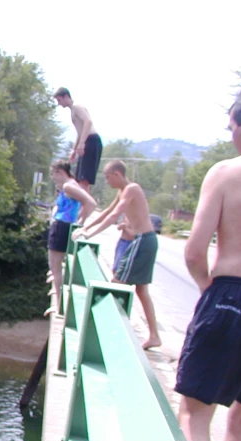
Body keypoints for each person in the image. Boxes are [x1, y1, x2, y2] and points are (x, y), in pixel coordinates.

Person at [175, 87, 241, 441]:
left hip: (231, 295)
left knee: (195, 413)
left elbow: (192, 251)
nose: (229, 137)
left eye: (231, 128)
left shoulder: (227, 172)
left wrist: (210, 287)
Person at [73, 160, 161, 350]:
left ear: (117, 174)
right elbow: (107, 212)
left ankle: (111, 331)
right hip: (144, 240)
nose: (107, 181)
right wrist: (85, 227)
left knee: (117, 283)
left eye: (107, 177)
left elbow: (115, 216)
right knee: (140, 290)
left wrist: (89, 234)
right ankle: (154, 335)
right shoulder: (122, 192)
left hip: (142, 240)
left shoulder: (131, 189)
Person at [46, 160, 97, 314]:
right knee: (56, 267)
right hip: (63, 226)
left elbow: (90, 203)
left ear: (60, 172)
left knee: (54, 266)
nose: (54, 179)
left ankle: (58, 305)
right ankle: (58, 298)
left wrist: (81, 222)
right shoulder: (72, 184)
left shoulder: (69, 186)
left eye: (54, 176)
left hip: (62, 226)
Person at [54, 87, 103, 193]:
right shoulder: (72, 111)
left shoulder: (77, 106)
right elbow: (80, 132)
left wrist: (82, 144)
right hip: (85, 140)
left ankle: (84, 206)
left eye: (59, 100)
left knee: (84, 180)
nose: (59, 103)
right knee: (79, 179)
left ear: (66, 96)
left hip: (91, 141)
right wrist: (74, 149)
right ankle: (81, 205)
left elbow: (88, 122)